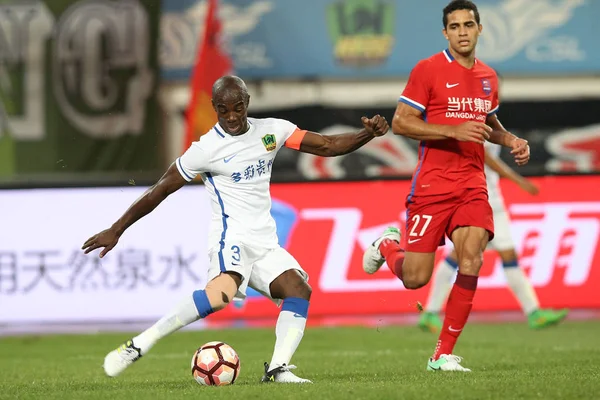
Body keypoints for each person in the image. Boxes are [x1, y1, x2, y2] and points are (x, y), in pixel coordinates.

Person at [82, 75, 389, 383]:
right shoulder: (205, 149)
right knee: (219, 296)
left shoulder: (272, 130)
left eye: (237, 107)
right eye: (223, 109)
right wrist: (117, 228)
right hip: (232, 238)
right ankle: (139, 344)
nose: (231, 116)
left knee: (298, 289)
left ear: (247, 104)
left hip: (264, 242)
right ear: (214, 108)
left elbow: (328, 145)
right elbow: (160, 189)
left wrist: (367, 134)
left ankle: (277, 369)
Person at [362, 0, 530, 372]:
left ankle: (442, 354)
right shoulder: (428, 70)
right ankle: (386, 245)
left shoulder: (488, 77)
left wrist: (512, 140)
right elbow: (402, 122)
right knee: (415, 279)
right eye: (455, 27)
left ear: (479, 28)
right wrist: (451, 130)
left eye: (469, 25)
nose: (463, 32)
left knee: (472, 257)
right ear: (446, 33)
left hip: (472, 183)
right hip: (433, 187)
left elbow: (489, 124)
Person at [418, 142, 569, 332]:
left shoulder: (489, 119)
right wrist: (519, 181)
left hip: (492, 200)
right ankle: (430, 312)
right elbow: (484, 155)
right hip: (473, 198)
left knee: (507, 255)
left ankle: (534, 313)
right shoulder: (474, 117)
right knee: (458, 254)